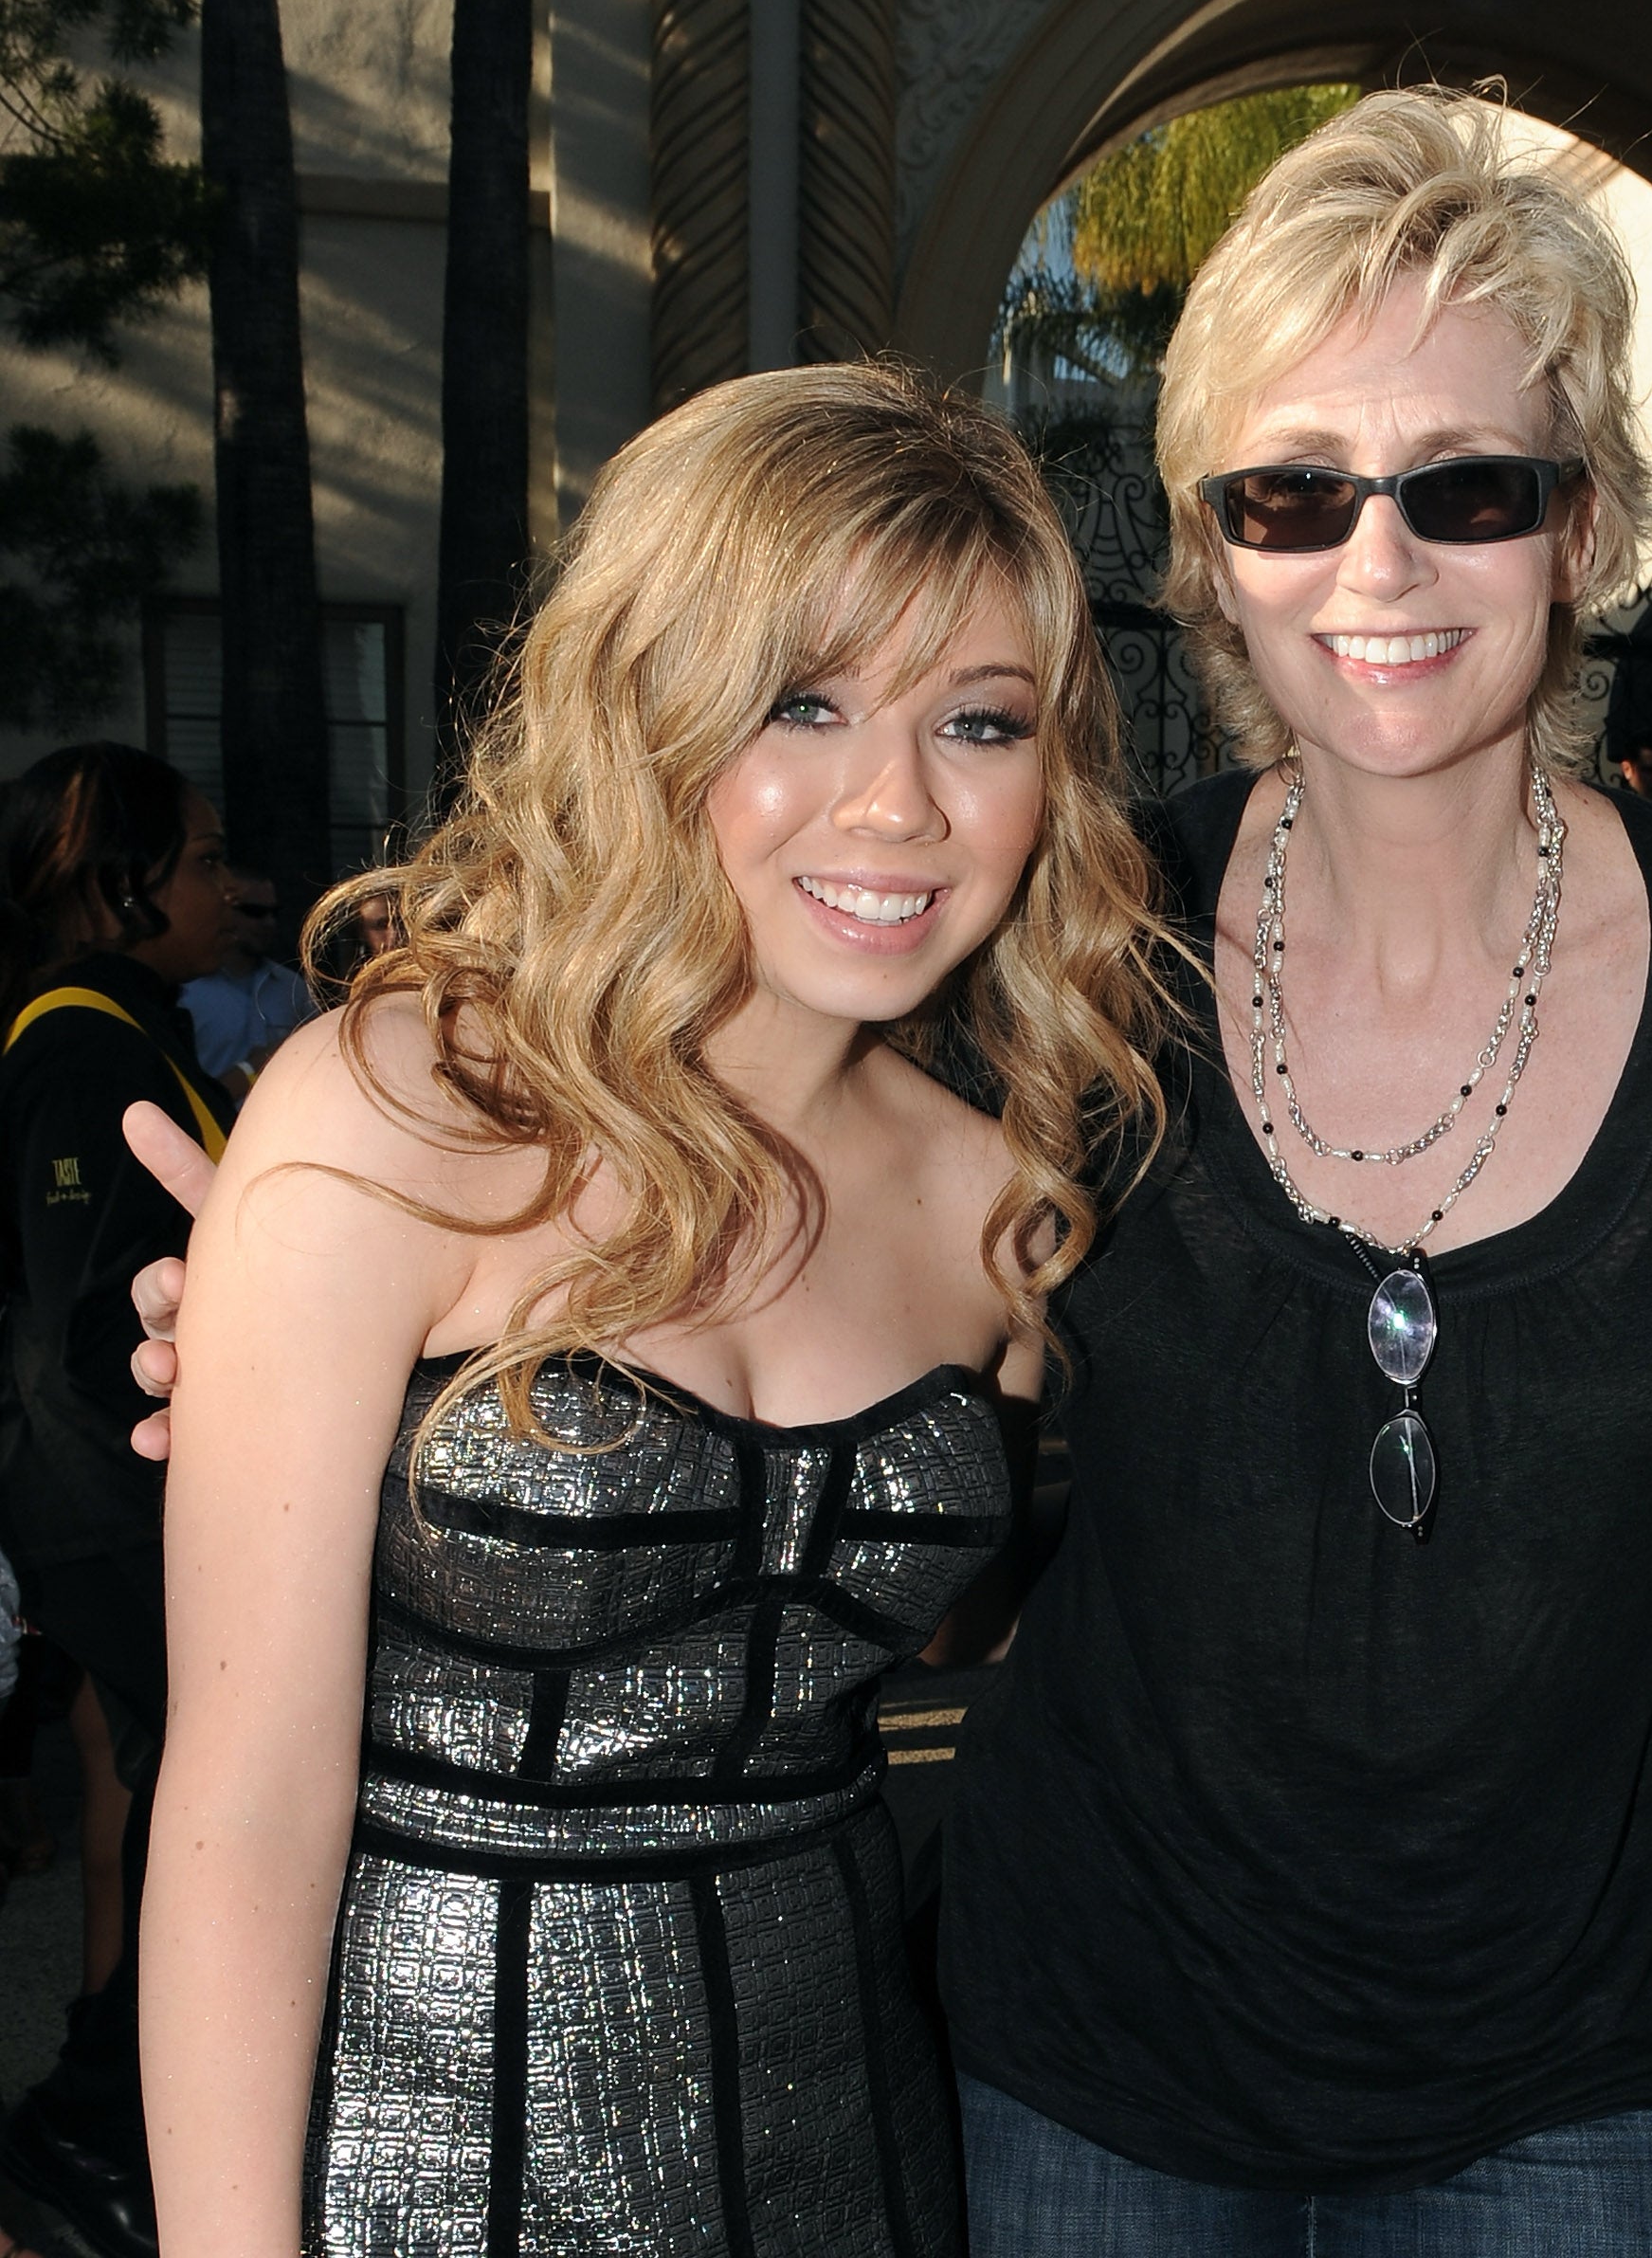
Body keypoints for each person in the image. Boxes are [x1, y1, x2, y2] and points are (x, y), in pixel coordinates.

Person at [935, 92, 1652, 2251]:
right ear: (1207, 556)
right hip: (1090, 2056)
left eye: (1466, 489)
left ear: (1584, 529)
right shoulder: (1078, 952)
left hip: (1576, 2081)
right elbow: (769, 1219)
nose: (1375, 567)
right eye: (1291, 495)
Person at [133, 362, 1170, 2257]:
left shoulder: (1006, 1204)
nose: (901, 802)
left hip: (858, 2148)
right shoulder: (395, 1114)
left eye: (983, 720)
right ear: (649, 708)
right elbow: (245, 1808)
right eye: (807, 701)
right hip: (419, 2167)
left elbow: (983, 1621)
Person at [0, 740, 236, 2258]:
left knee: (162, 1796)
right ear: (119, 888)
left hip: (109, 1515)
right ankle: (105, 2134)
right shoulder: (81, 1050)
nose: (234, 888)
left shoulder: (115, 1035)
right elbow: (80, 1336)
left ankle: (109, 2117)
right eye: (205, 863)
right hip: (118, 1515)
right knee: (206, 1810)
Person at [178, 865, 314, 1087]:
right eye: (254, 912)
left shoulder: (293, 988)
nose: (268, 923)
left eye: (274, 913)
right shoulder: (187, 992)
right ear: (223, 909)